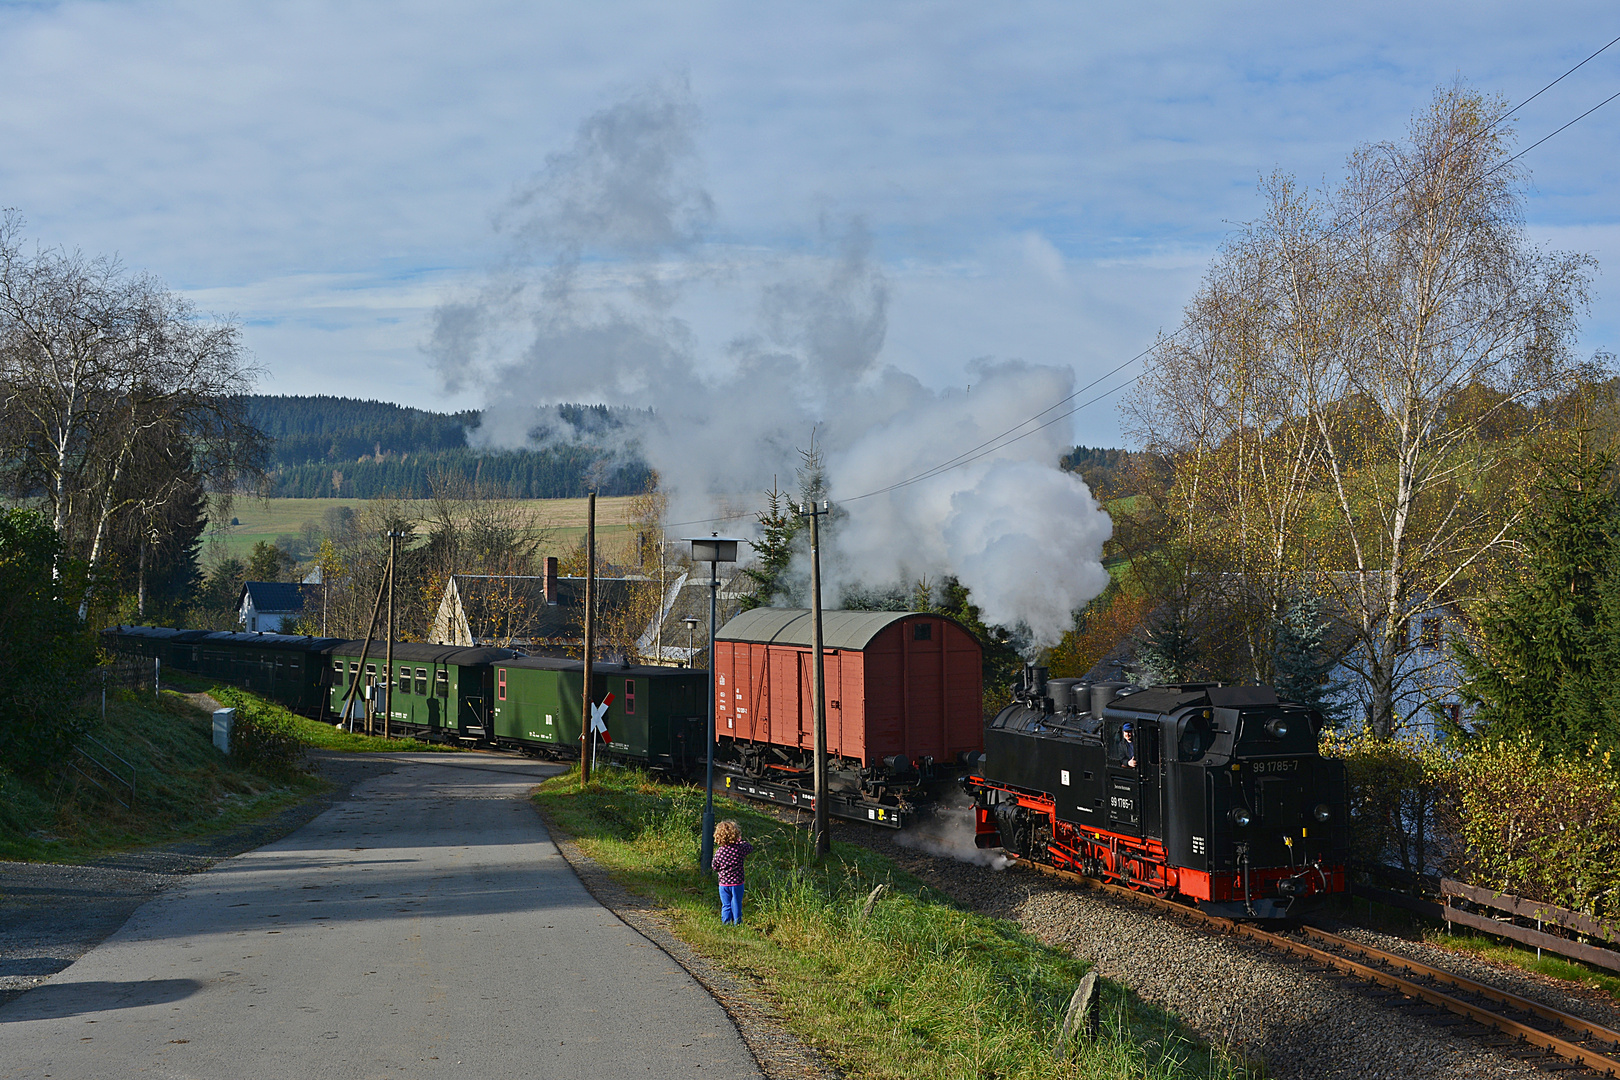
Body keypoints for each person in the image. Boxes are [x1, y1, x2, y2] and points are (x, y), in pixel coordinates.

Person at [711, 819, 755, 925]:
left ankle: (726, 922)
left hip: (723, 883)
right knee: (736, 903)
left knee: (726, 904)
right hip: (737, 883)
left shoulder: (719, 852)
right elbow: (750, 847)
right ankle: (737, 922)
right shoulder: (740, 849)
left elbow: (715, 866)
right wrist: (740, 841)